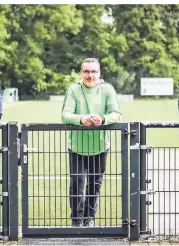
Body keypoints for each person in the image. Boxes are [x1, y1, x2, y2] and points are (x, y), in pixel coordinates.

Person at [61, 58, 122, 227]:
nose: (90, 75)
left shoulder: (107, 89)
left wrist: (102, 119)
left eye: (93, 71)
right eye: (86, 71)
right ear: (81, 73)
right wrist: (81, 119)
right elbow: (65, 115)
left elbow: (116, 114)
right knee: (77, 185)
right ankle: (76, 220)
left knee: (94, 185)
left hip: (100, 146)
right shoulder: (73, 89)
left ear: (99, 73)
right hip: (77, 147)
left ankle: (89, 219)